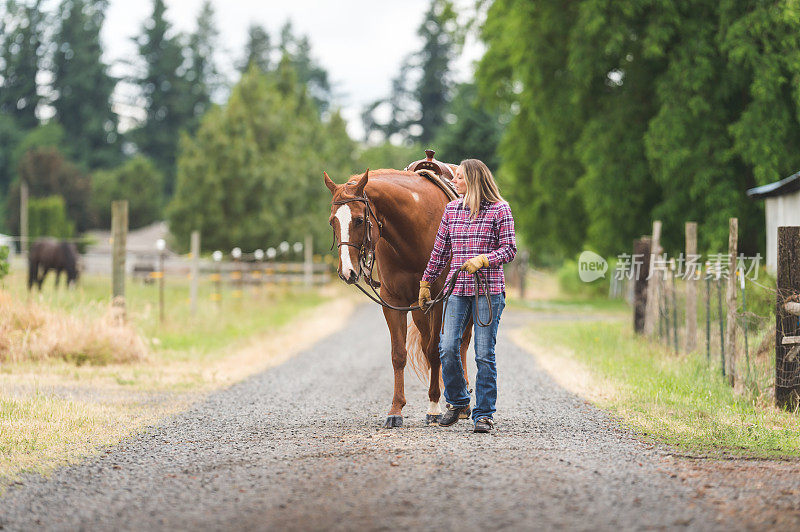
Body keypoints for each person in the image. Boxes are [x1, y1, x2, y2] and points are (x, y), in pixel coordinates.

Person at [418, 159, 516, 433]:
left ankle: (483, 414)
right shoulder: (451, 210)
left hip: (488, 292)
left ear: (473, 180)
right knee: (447, 347)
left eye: (459, 177)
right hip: (457, 291)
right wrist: (426, 281)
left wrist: (484, 259)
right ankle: (459, 402)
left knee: (484, 354)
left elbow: (509, 249)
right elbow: (440, 252)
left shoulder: (500, 210)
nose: (454, 181)